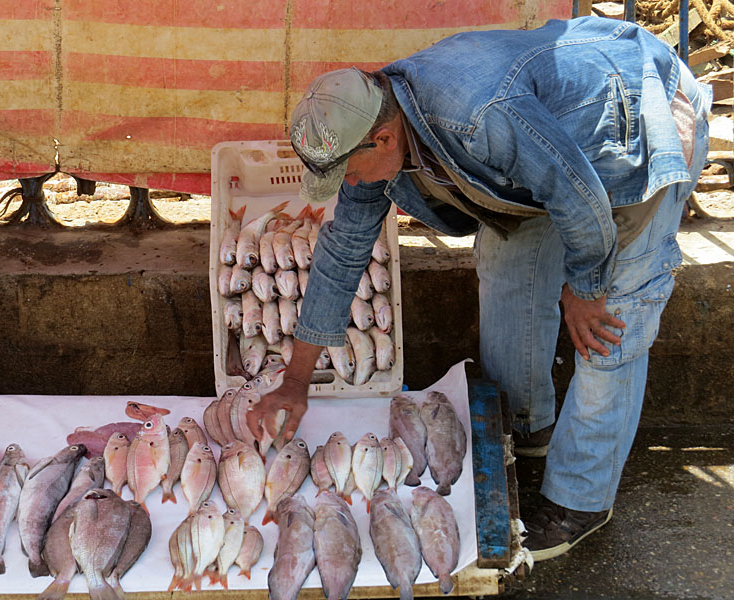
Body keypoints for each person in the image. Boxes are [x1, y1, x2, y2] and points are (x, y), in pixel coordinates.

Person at [246, 15, 711, 560]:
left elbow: (578, 194)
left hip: (634, 125)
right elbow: (343, 252)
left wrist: (585, 286)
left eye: (349, 173)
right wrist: (296, 381)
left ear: (384, 138)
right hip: (552, 153)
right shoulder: (376, 129)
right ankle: (523, 428)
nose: (349, 186)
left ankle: (580, 500)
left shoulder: (478, 116)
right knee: (508, 271)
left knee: (611, 325)